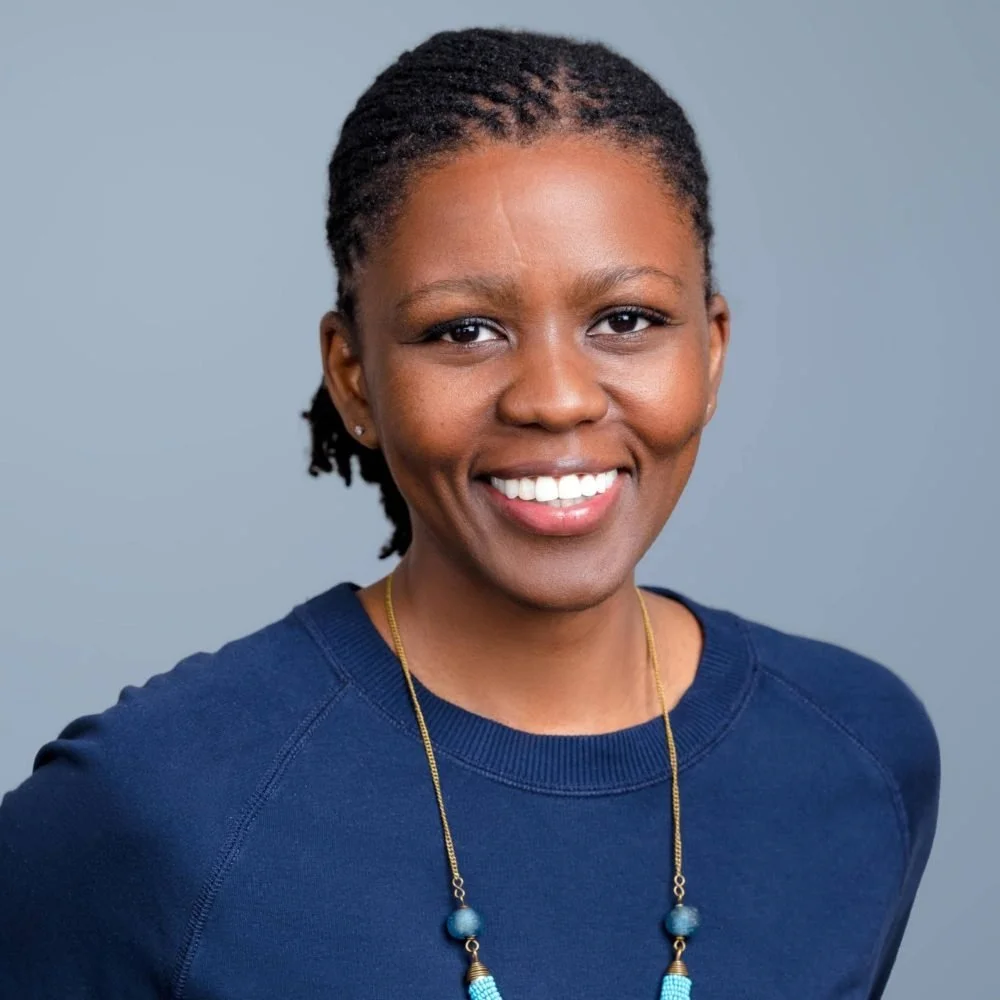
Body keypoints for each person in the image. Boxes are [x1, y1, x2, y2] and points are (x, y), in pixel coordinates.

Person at [0, 26, 939, 1000]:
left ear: (709, 350)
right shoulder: (160, 807)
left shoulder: (860, 752)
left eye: (625, 320)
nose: (555, 396)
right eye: (465, 330)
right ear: (354, 376)